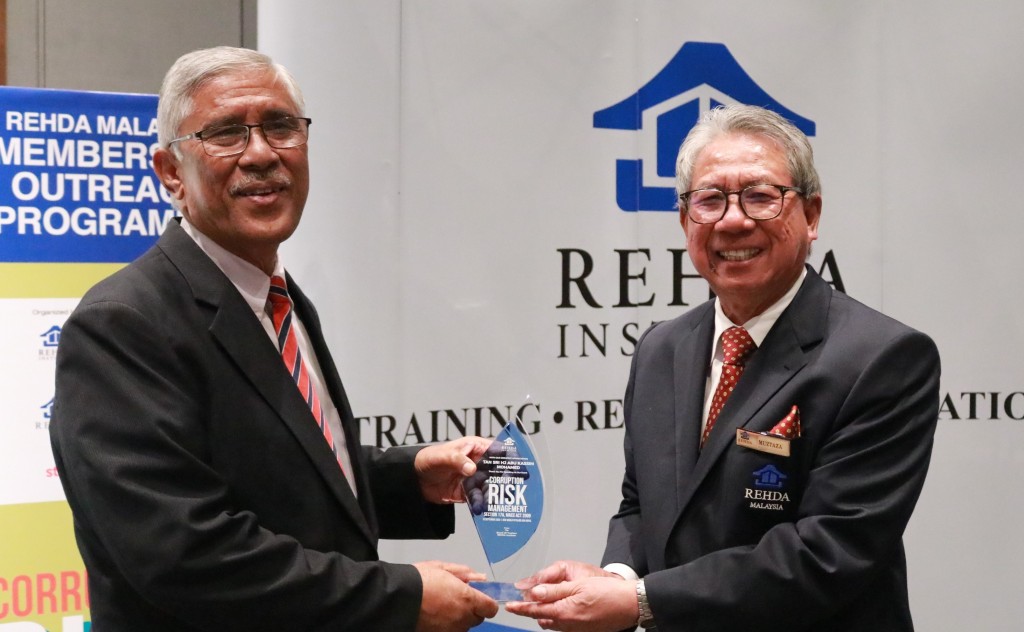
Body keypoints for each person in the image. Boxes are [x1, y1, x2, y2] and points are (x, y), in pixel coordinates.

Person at [49, 46, 498, 632]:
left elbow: (273, 469)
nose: (261, 153)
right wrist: (399, 594)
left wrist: (407, 477)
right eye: (226, 133)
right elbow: (186, 555)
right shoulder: (123, 323)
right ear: (169, 173)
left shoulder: (276, 297)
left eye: (280, 125)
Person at [506, 104, 941, 631]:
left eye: (760, 196)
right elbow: (641, 505)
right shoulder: (660, 349)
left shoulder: (882, 357)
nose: (733, 220)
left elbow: (828, 554)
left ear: (812, 215)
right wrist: (618, 577)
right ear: (686, 220)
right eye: (710, 199)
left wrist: (641, 600)